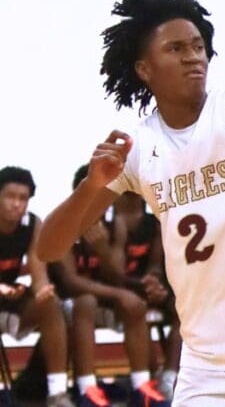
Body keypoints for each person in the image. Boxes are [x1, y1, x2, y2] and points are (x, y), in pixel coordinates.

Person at [36, 0, 225, 407]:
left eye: (198, 46)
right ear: (145, 69)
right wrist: (91, 185)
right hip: (207, 366)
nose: (193, 56)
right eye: (176, 48)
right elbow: (50, 247)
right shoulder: (137, 149)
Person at [48, 167, 158, 407]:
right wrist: (119, 293)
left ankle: (142, 386)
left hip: (103, 296)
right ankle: (87, 388)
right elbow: (70, 281)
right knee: (87, 302)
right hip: (66, 301)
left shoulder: (115, 222)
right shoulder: (63, 222)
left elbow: (118, 274)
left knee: (135, 304)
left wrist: (103, 250)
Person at [0, 167, 72, 407]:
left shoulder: (32, 224)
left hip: (10, 300)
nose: (16, 204)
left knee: (51, 305)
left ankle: (57, 393)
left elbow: (38, 271)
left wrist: (43, 289)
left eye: (23, 198)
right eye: (10, 196)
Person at [112, 190, 181, 399]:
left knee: (183, 307)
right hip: (118, 291)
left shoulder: (154, 223)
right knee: (137, 308)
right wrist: (143, 285)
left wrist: (153, 280)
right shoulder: (110, 223)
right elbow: (114, 274)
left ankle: (169, 377)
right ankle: (150, 377)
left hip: (144, 287)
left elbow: (155, 265)